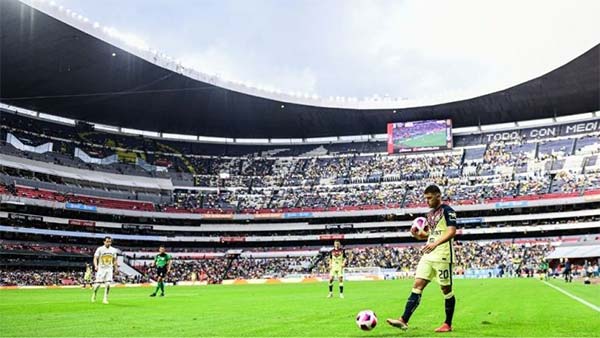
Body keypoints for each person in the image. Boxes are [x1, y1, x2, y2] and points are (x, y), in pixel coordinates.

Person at [387, 185, 458, 333]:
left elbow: (451, 231)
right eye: (425, 198)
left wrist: (435, 243)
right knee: (417, 285)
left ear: (438, 196)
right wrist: (417, 236)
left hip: (443, 255)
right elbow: (431, 235)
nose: (427, 201)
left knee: (446, 289)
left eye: (429, 198)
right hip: (428, 254)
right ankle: (403, 320)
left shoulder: (448, 211)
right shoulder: (429, 214)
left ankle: (447, 324)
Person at [92, 236, 118, 304]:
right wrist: (96, 266)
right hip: (101, 269)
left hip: (109, 269)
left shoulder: (113, 250)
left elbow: (115, 260)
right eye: (107, 241)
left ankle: (105, 298)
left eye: (110, 242)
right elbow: (95, 258)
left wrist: (116, 268)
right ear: (104, 242)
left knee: (108, 284)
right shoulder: (100, 249)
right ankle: (94, 294)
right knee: (97, 285)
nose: (109, 243)